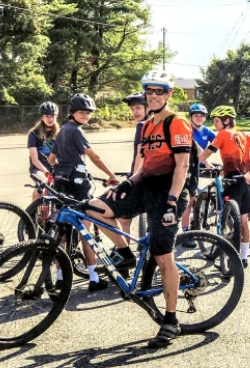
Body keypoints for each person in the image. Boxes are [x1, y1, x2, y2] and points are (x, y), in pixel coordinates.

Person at [83, 70, 192, 348]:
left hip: (168, 192)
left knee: (163, 255)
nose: (153, 96)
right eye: (149, 91)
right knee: (93, 208)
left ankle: (171, 319)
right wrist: (126, 183)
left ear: (168, 94)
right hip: (145, 186)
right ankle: (125, 253)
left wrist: (172, 200)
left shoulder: (176, 123)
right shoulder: (146, 126)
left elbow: (182, 165)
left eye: (159, 91)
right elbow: (144, 163)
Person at [47, 93, 121, 292]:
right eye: (82, 112)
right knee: (85, 232)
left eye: (88, 113)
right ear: (72, 113)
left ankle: (60, 277)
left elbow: (51, 158)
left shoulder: (62, 131)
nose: (85, 116)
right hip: (79, 187)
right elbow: (94, 157)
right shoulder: (77, 132)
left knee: (62, 233)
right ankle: (94, 278)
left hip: (61, 184)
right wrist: (110, 174)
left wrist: (65, 165)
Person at [198, 106, 250, 268]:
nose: (214, 124)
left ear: (226, 121)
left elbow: (208, 152)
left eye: (216, 121)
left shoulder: (222, 134)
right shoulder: (241, 134)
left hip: (231, 181)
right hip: (246, 181)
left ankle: (228, 255)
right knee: (243, 221)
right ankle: (243, 257)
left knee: (226, 218)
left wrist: (191, 164)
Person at [179, 103, 216, 247]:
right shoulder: (186, 129)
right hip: (186, 166)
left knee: (199, 196)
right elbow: (197, 147)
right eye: (196, 115)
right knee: (189, 199)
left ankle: (197, 219)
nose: (199, 118)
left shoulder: (206, 130)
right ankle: (185, 233)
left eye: (201, 116)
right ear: (191, 117)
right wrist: (206, 160)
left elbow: (219, 141)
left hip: (199, 167)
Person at [118, 91, 150, 235]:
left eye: (138, 108)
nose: (134, 112)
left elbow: (140, 154)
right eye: (132, 109)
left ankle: (125, 254)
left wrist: (132, 180)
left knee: (123, 218)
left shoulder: (142, 126)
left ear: (148, 107)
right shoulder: (156, 123)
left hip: (141, 178)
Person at [27, 102, 59, 202]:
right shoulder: (33, 133)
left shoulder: (60, 133)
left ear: (56, 116)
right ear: (42, 117)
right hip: (38, 168)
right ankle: (31, 213)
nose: (50, 119)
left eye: (52, 116)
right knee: (42, 184)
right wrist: (46, 172)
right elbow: (34, 160)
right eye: (47, 116)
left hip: (54, 167)